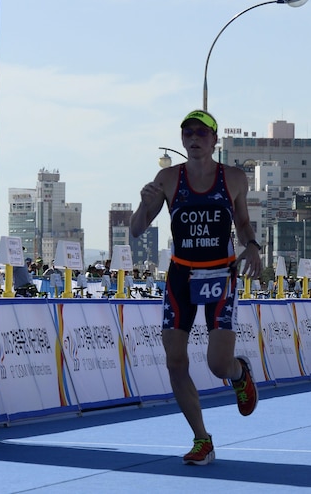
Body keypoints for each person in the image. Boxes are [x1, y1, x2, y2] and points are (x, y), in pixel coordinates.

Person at [131, 109, 263, 466]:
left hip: (220, 275)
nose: (194, 139)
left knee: (217, 364)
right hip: (181, 276)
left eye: (201, 134)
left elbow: (243, 222)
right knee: (175, 360)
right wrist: (143, 206)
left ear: (214, 140)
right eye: (187, 133)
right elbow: (137, 229)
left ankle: (239, 372)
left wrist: (253, 247)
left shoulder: (233, 178)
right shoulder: (168, 178)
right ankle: (201, 438)